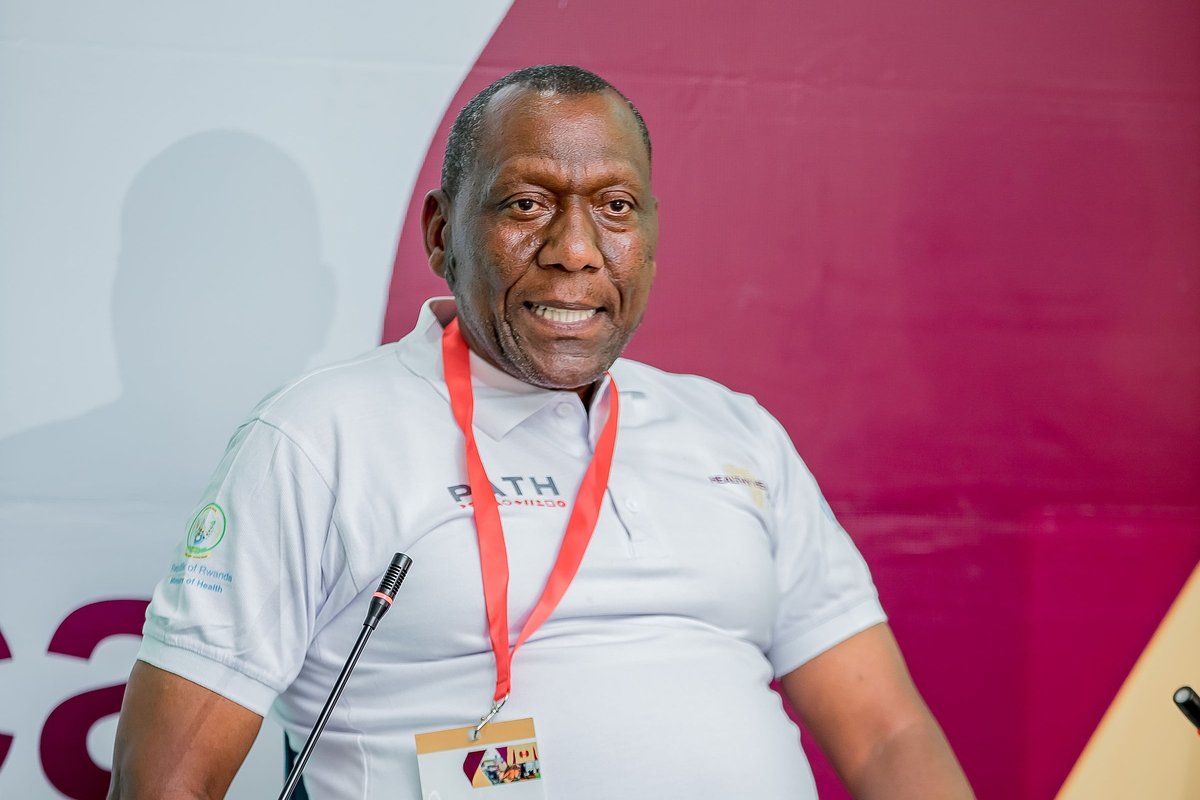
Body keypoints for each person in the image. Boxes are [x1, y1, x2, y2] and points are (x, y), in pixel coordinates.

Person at [109, 64, 974, 800]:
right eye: (527, 203)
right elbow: (167, 782)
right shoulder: (318, 436)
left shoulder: (735, 431)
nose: (575, 248)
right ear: (443, 233)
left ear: (651, 238)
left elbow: (887, 737)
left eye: (615, 206)